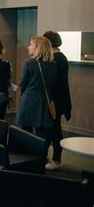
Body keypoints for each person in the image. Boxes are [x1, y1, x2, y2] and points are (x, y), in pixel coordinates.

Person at [16, 36, 57, 141]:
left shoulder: (29, 63)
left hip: (29, 101)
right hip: (45, 102)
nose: (28, 47)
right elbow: (52, 84)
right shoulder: (53, 64)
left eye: (31, 45)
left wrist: (24, 96)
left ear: (38, 47)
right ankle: (41, 156)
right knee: (42, 136)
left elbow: (22, 84)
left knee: (25, 134)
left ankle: (27, 156)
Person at [43, 31, 72, 171]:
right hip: (56, 99)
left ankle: (56, 159)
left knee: (54, 130)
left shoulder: (57, 59)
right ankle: (48, 157)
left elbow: (54, 83)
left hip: (56, 100)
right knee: (51, 129)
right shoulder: (59, 57)